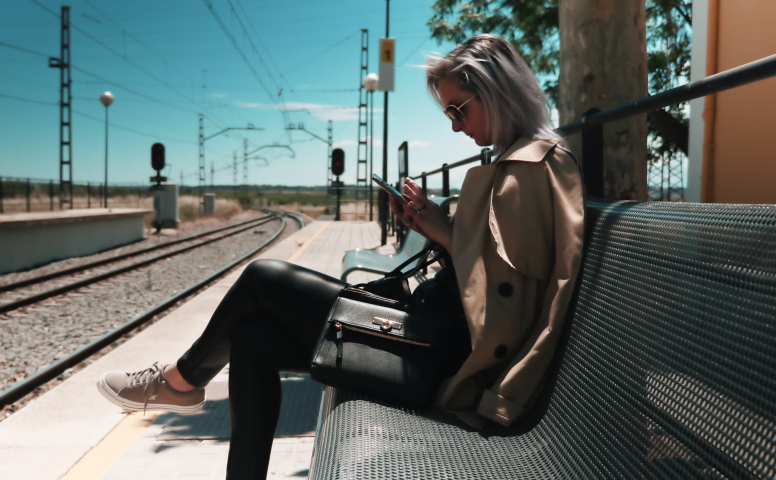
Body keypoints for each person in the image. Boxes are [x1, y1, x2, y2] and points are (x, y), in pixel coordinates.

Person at [96, 33, 584, 478]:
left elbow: (507, 300)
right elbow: (496, 270)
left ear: (496, 91)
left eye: (459, 110)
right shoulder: (517, 164)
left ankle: (179, 382)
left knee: (263, 279)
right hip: (427, 335)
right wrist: (438, 227)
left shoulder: (531, 169)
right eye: (448, 116)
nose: (455, 128)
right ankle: (192, 402)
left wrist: (446, 234)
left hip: (439, 357)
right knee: (251, 338)